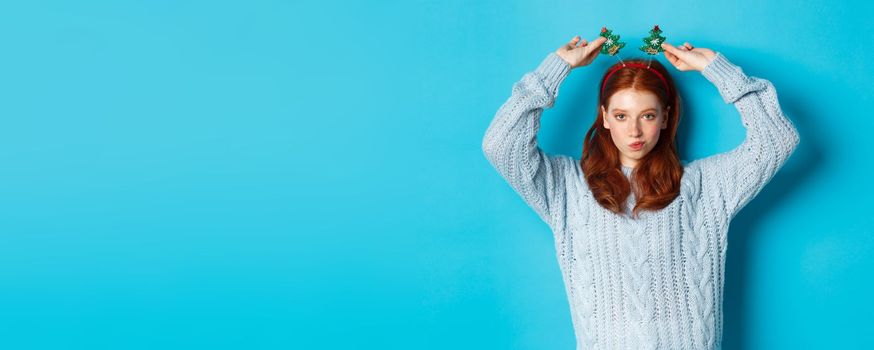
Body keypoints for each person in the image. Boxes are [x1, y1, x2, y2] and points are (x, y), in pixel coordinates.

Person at [481, 34, 800, 350]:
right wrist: (556, 68)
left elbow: (776, 140)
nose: (634, 131)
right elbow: (501, 145)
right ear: (605, 117)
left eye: (647, 115)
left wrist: (718, 69)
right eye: (621, 116)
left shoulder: (705, 185)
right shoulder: (568, 186)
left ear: (665, 117)